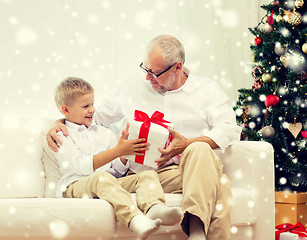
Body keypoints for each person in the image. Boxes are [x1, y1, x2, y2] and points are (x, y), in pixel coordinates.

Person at [47, 35, 241, 240]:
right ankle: (197, 233)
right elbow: (94, 119)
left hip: (189, 167)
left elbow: (229, 128)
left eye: (155, 73)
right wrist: (60, 123)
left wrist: (186, 145)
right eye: (146, 69)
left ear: (177, 67)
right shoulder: (134, 86)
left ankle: (196, 231)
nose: (148, 78)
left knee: (200, 149)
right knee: (220, 182)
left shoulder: (206, 90)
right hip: (145, 174)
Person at [53, 77, 182, 240]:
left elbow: (116, 171)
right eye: (86, 106)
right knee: (100, 177)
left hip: (108, 182)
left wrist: (123, 155)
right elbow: (80, 166)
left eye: (93, 104)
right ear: (66, 110)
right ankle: (135, 219)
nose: (92, 110)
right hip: (76, 185)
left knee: (146, 175)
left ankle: (154, 207)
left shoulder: (104, 133)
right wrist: (116, 151)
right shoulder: (61, 135)